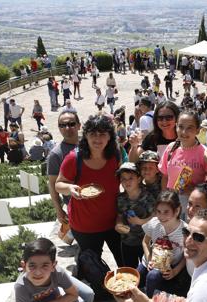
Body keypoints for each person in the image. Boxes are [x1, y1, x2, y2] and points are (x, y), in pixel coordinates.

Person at [55, 116, 123, 266]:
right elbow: (58, 184)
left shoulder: (114, 155)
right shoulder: (74, 158)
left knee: (125, 262)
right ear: (85, 135)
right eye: (93, 134)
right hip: (85, 225)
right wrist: (69, 188)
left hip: (114, 222)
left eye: (102, 134)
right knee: (94, 267)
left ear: (110, 136)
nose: (97, 139)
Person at [159, 110, 207, 218]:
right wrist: (164, 200)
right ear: (176, 127)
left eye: (189, 128)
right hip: (172, 205)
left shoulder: (204, 152)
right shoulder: (171, 148)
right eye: (180, 127)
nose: (184, 132)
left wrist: (195, 189)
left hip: (194, 208)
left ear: (198, 130)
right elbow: (165, 177)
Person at [138, 190, 190, 297]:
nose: (161, 216)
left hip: (170, 266)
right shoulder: (154, 223)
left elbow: (187, 254)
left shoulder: (185, 231)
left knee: (153, 277)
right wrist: (149, 258)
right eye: (158, 211)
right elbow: (145, 242)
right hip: (150, 261)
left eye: (166, 212)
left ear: (177, 210)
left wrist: (175, 271)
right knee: (136, 278)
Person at [115, 162, 156, 268]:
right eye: (123, 179)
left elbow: (156, 217)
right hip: (127, 241)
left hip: (145, 242)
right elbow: (119, 215)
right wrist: (118, 224)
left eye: (130, 178)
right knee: (130, 271)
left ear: (139, 179)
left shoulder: (147, 197)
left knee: (147, 269)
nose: (127, 182)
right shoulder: (121, 198)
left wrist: (140, 222)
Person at [47, 111, 82, 228]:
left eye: (71, 124)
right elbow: (52, 184)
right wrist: (58, 209)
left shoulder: (91, 144)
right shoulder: (56, 154)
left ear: (79, 125)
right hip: (76, 207)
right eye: (62, 125)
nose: (67, 128)